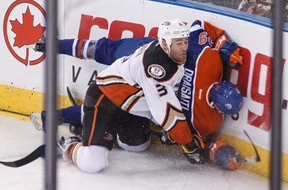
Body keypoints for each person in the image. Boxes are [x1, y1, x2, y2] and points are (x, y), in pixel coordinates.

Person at [30, 19, 244, 173]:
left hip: (138, 100)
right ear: (165, 43)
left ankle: (82, 127)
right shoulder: (162, 68)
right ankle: (61, 121)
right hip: (121, 82)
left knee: (136, 145)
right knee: (103, 50)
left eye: (184, 43)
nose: (184, 47)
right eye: (179, 43)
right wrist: (223, 43)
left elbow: (199, 28)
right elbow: (169, 116)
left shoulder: (208, 69)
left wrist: (215, 150)